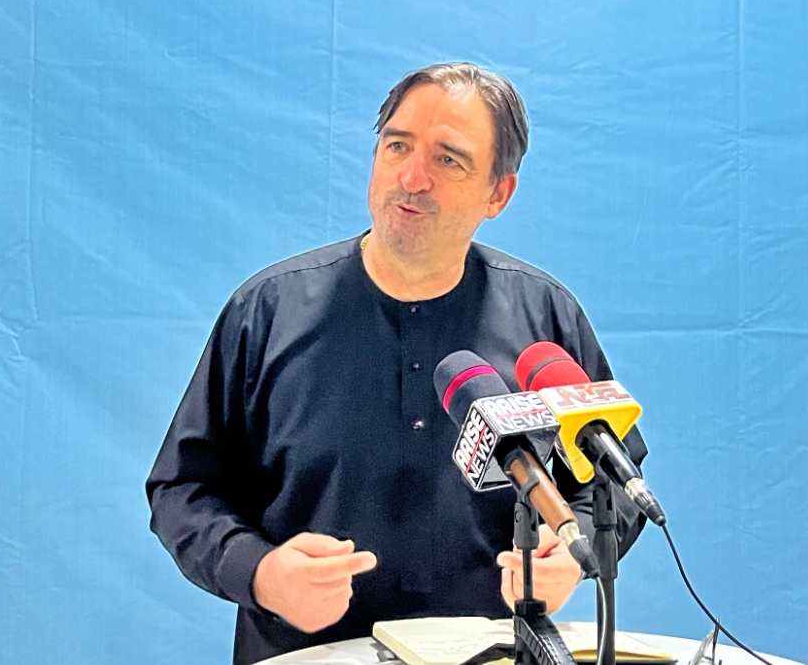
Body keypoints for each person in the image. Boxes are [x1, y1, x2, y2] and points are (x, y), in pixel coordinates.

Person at [146, 62, 649, 665]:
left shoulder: (545, 320)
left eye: (448, 159)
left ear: (498, 192)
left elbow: (617, 481)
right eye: (397, 146)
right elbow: (183, 487)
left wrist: (570, 553)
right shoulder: (267, 313)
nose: (411, 178)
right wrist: (259, 572)